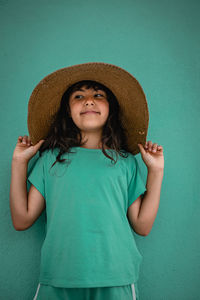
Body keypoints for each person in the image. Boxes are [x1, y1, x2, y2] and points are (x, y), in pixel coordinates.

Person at [10, 62, 164, 300]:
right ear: (67, 112)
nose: (89, 100)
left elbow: (142, 226)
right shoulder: (50, 159)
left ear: (111, 109)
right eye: (78, 96)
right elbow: (22, 219)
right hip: (58, 276)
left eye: (98, 95)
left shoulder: (125, 162)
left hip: (116, 277)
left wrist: (156, 171)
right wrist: (19, 163)